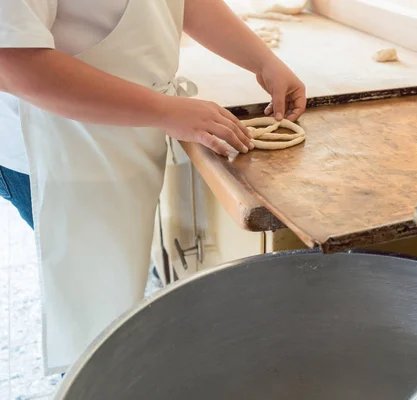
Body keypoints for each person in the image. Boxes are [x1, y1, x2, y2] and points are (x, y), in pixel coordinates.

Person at [0, 0, 306, 375]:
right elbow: (14, 63)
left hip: (124, 129)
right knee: (90, 306)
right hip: (61, 147)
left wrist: (263, 60)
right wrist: (164, 111)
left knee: (114, 284)